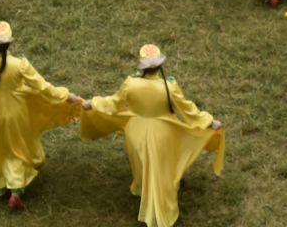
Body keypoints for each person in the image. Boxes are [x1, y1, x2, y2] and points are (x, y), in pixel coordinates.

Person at [78, 44, 225, 225]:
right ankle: (163, 201)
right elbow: (188, 110)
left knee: (141, 163)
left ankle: (142, 189)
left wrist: (92, 102)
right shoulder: (169, 85)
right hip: (163, 132)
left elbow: (113, 103)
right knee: (162, 166)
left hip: (136, 131)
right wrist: (210, 122)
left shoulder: (130, 83)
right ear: (159, 65)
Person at [0, 21, 82, 211]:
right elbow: (44, 87)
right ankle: (16, 191)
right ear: (10, 43)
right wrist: (68, 96)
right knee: (17, 147)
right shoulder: (20, 65)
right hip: (16, 111)